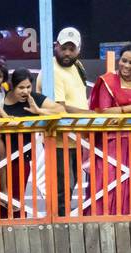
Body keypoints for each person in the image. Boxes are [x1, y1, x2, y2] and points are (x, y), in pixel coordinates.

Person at [90, 44, 131, 215]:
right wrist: (130, 108)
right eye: (124, 61)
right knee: (110, 183)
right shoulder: (107, 81)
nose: (126, 65)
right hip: (111, 143)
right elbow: (102, 111)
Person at [0, 69, 62, 215]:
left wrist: (39, 110)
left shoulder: (33, 98)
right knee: (1, 201)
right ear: (12, 86)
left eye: (28, 87)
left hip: (22, 156)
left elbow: (60, 110)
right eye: (21, 87)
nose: (25, 91)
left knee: (16, 200)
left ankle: (19, 229)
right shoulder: (1, 98)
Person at [51, 27, 89, 216]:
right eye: (63, 47)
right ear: (55, 46)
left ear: (78, 50)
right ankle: (59, 222)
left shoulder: (78, 66)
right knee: (62, 186)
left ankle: (64, 217)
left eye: (71, 49)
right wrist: (91, 115)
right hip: (58, 139)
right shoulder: (52, 70)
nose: (67, 53)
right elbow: (60, 107)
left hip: (77, 138)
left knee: (71, 183)